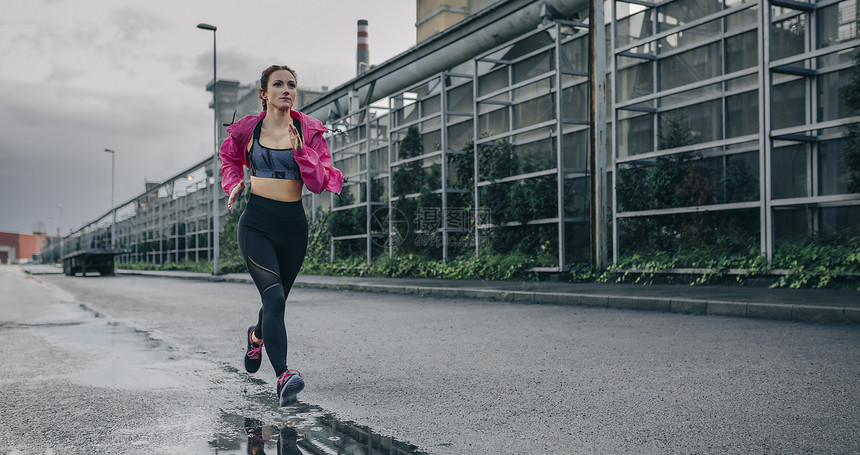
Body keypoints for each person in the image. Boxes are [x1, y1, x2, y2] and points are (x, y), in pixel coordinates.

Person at [220, 64, 343, 406]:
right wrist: (234, 184)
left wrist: (301, 150)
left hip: (293, 226)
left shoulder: (310, 131)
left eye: (291, 84)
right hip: (256, 223)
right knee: (273, 299)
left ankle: (256, 335)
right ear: (265, 93)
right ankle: (284, 375)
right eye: (278, 84)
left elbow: (319, 183)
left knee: (276, 301)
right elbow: (229, 159)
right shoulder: (248, 129)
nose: (286, 89)